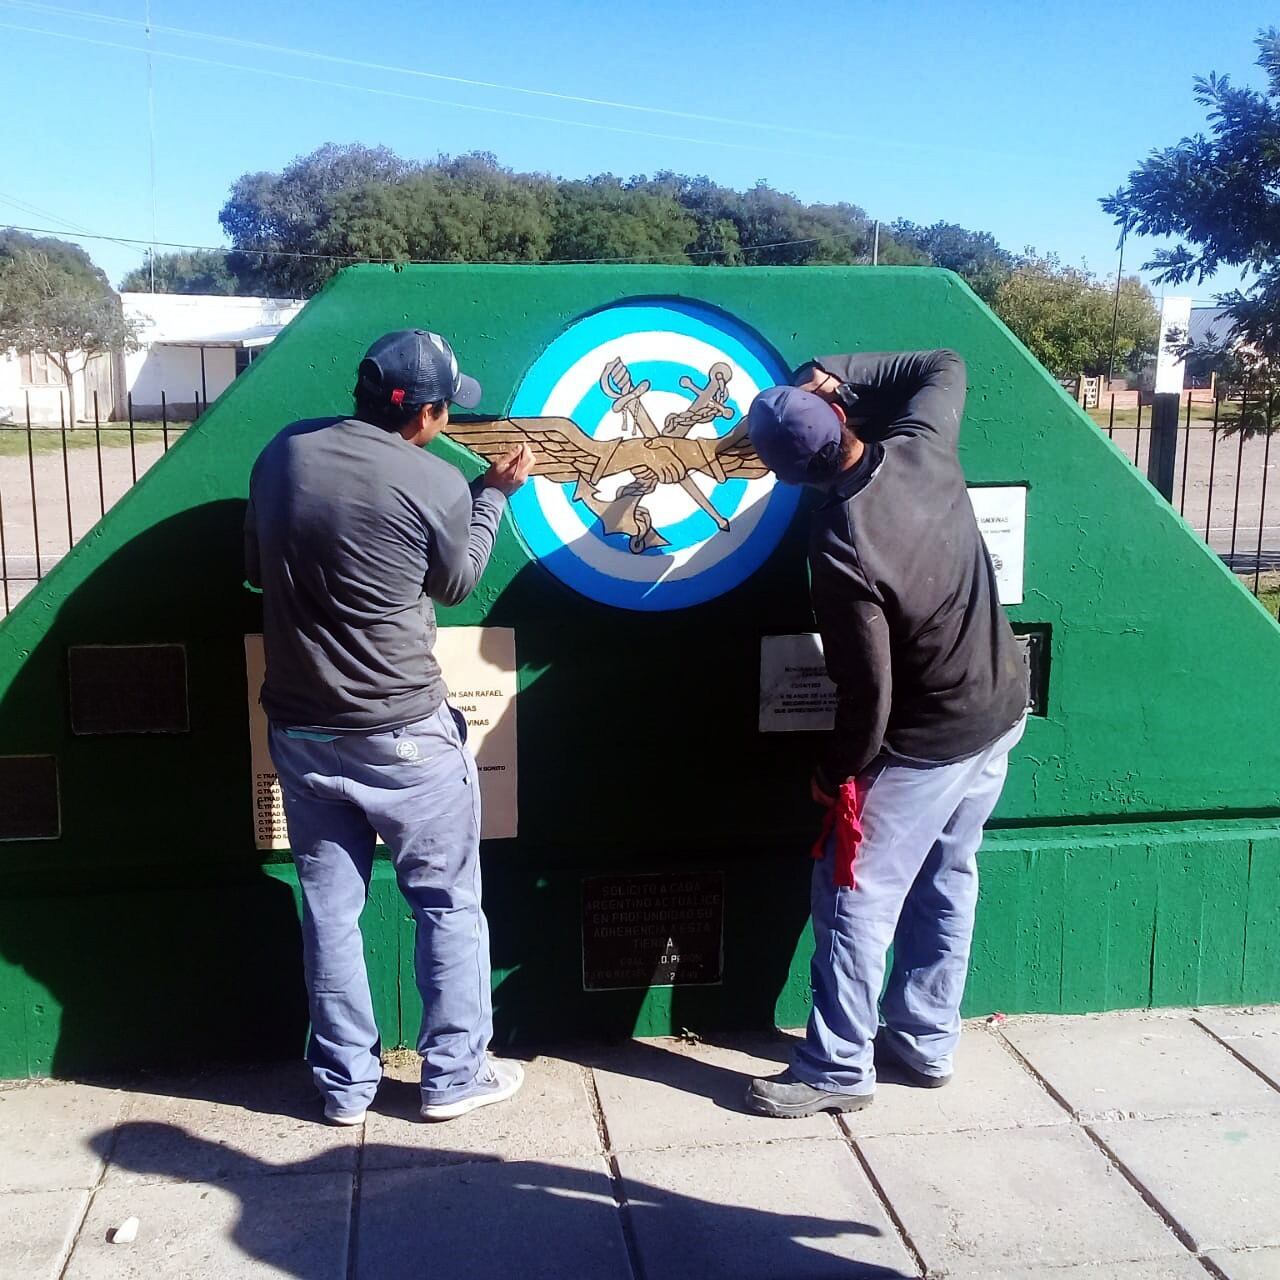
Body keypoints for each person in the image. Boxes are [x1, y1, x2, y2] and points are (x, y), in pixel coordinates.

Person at [244, 329, 534, 1126]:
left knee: (329, 911)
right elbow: (458, 581)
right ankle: (452, 1077)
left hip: (300, 730)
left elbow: (252, 564)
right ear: (430, 411)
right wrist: (494, 495)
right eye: (447, 407)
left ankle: (342, 1086)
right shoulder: (437, 480)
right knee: (445, 905)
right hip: (402, 729)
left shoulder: (282, 455)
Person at [742, 350, 1028, 1119]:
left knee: (851, 894)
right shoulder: (921, 445)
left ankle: (837, 1065)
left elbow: (868, 693)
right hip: (999, 712)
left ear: (792, 478)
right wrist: (836, 370)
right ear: (841, 422)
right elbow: (945, 364)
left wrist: (836, 772)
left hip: (927, 739)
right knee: (948, 875)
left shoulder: (841, 543)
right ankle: (927, 1040)